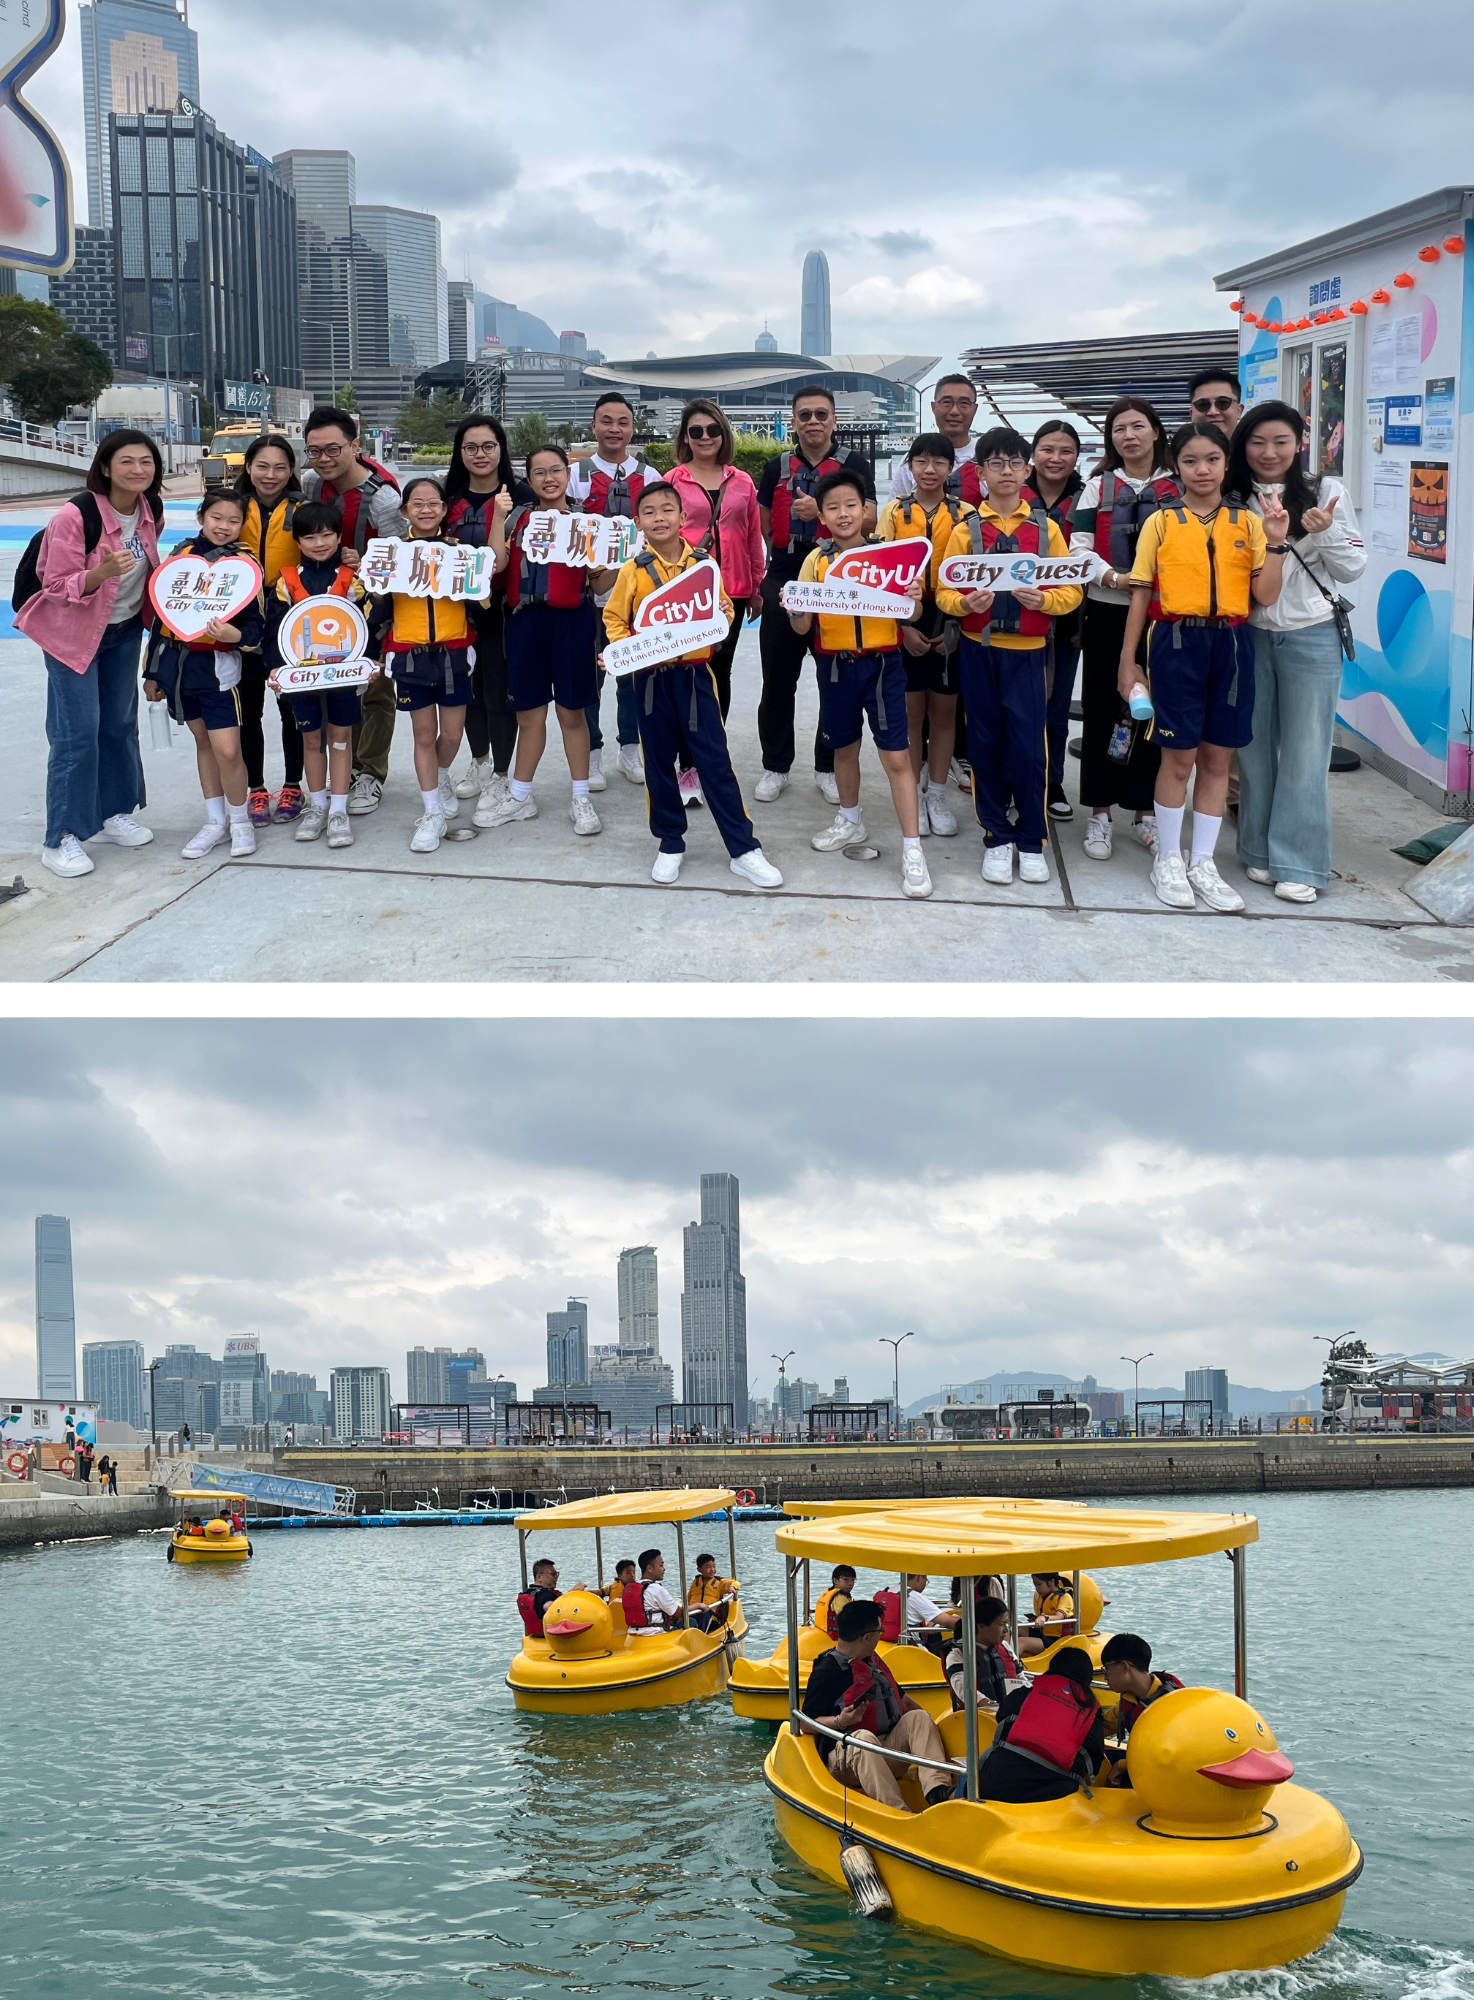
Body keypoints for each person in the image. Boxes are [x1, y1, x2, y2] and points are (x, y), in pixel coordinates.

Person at [1121, 421, 1288, 912]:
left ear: (1226, 464)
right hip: (1175, 641)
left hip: (1233, 643)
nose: (1202, 469)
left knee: (1218, 759)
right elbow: (1141, 591)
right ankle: (1168, 857)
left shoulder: (1249, 521)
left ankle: (1203, 862)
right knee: (1179, 758)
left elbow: (1266, 596)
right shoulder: (1162, 522)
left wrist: (1277, 542)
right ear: (1176, 466)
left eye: (1212, 459)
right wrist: (1128, 662)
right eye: (1191, 460)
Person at [603, 481, 782, 889]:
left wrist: (725, 610)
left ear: (684, 518)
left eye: (667, 510)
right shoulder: (633, 570)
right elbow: (614, 619)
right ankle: (670, 843)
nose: (659, 518)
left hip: (697, 678)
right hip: (650, 680)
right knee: (659, 764)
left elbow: (723, 611)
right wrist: (623, 648)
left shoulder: (703, 565)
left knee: (715, 761)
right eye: (649, 512)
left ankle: (743, 848)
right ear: (638, 522)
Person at [1227, 402, 1365, 904]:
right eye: (1258, 441)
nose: (1269, 452)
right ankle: (1260, 852)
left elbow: (1352, 569)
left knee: (1307, 752)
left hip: (1312, 634)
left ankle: (1300, 862)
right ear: (1243, 444)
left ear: (1298, 443)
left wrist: (1323, 530)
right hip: (1251, 634)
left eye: (1281, 441)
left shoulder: (1327, 492)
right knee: (1255, 748)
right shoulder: (1232, 497)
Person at [935, 427, 1083, 885]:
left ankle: (1031, 837)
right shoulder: (964, 530)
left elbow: (1071, 589)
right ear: (979, 472)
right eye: (995, 464)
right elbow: (943, 590)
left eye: (1014, 463)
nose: (1006, 471)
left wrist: (1047, 603)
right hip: (979, 652)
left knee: (1028, 747)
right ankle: (996, 836)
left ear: (1027, 470)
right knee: (984, 744)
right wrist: (964, 605)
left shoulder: (1047, 528)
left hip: (1030, 654)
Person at [17, 429, 163, 879]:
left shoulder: (148, 509)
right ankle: (60, 836)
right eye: (127, 462)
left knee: (118, 726)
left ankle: (111, 812)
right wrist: (98, 573)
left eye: (146, 462)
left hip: (121, 633)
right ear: (104, 466)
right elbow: (55, 587)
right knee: (76, 734)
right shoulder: (74, 516)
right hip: (72, 637)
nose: (138, 470)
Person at [787, 468, 932, 899]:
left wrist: (914, 598)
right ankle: (850, 820)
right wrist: (794, 606)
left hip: (883, 665)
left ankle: (912, 848)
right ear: (822, 516)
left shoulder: (890, 555)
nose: (843, 514)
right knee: (842, 749)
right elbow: (801, 629)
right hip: (834, 665)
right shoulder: (817, 560)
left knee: (897, 758)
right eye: (833, 507)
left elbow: (912, 617)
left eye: (851, 505)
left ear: (867, 509)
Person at [1069, 396, 1181, 861]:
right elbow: (1078, 549)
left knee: (1155, 712)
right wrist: (1114, 577)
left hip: (1164, 616)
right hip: (1107, 609)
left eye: (1137, 427)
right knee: (1101, 708)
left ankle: (1146, 812)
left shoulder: (1179, 486)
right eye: (1119, 429)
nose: (1128, 436)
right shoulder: (1097, 487)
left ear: (1156, 431)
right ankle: (1099, 813)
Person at [755, 386, 877, 803]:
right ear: (793, 421)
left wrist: (821, 519)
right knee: (777, 680)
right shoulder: (775, 467)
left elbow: (869, 517)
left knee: (835, 679)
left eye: (821, 415)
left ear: (834, 421)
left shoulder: (855, 463)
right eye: (804, 415)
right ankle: (776, 765)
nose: (813, 422)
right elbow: (766, 525)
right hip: (786, 579)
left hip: (838, 583)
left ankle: (827, 765)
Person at [482, 443, 606, 836]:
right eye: (539, 472)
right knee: (529, 713)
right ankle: (520, 796)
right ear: (529, 479)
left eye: (556, 470)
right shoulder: (516, 519)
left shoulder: (587, 521)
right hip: (525, 623)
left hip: (573, 621)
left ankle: (581, 796)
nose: (549, 478)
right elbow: (495, 566)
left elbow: (600, 583)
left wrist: (610, 561)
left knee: (573, 713)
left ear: (568, 476)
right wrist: (497, 518)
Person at [143, 488, 265, 860]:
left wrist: (237, 637)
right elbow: (161, 619)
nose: (224, 526)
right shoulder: (179, 557)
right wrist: (152, 671)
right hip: (180, 669)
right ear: (201, 518)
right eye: (216, 518)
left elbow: (257, 626)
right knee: (203, 744)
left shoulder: (245, 565)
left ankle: (240, 819)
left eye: (233, 520)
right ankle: (215, 821)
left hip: (220, 672)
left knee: (228, 749)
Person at [299, 407, 406, 816]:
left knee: (375, 690)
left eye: (333, 449)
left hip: (374, 603)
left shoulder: (383, 496)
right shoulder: (312, 483)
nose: (324, 459)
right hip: (326, 603)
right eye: (314, 451)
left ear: (355, 446)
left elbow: (402, 553)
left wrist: (367, 560)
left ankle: (370, 773)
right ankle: (343, 769)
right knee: (338, 689)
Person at [364, 477, 473, 855]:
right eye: (418, 504)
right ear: (404, 510)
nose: (426, 510)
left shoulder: (461, 552)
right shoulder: (391, 555)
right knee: (424, 736)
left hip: (455, 653)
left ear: (444, 510)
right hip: (410, 656)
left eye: (434, 504)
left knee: (453, 735)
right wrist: (377, 588)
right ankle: (430, 812)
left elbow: (479, 602)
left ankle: (441, 777)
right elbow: (378, 610)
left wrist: (477, 581)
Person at [666, 398, 766, 807]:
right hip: (686, 592)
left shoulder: (742, 481)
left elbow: (752, 536)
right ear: (685, 437)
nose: (705, 437)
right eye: (696, 431)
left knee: (718, 676)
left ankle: (707, 759)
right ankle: (686, 764)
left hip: (734, 591)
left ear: (723, 434)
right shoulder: (672, 479)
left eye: (712, 430)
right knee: (687, 674)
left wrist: (757, 585)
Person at [879, 433, 974, 836]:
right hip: (906, 614)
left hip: (952, 614)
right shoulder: (895, 511)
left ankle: (937, 792)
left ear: (951, 468)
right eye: (921, 461)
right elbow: (881, 572)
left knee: (946, 711)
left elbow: (974, 573)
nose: (930, 469)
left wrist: (956, 623)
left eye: (939, 462)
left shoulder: (968, 513)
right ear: (910, 467)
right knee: (911, 712)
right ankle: (914, 792)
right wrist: (903, 628)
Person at [265, 498, 371, 851]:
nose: (320, 543)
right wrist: (275, 668)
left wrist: (369, 666)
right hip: (302, 677)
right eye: (310, 537)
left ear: (340, 536)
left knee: (341, 737)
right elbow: (274, 632)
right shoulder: (286, 581)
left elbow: (367, 628)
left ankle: (339, 809)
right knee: (311, 739)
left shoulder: (353, 580)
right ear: (297, 541)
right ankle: (318, 805)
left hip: (343, 675)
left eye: (327, 535)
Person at [566, 392, 657, 789]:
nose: (614, 429)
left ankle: (630, 748)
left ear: (632, 427)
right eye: (607, 421)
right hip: (588, 594)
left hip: (636, 594)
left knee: (632, 675)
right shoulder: (577, 475)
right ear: (594, 426)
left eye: (622, 421)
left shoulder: (651, 476)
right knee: (589, 678)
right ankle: (593, 751)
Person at [800, 1598, 955, 1812]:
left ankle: (938, 1791)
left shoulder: (872, 1661)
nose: (880, 1637)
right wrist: (840, 1721)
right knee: (863, 1739)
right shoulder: (828, 1671)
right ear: (867, 1637)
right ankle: (898, 1812)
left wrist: (932, 1724)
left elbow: (904, 1702)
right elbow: (805, 1724)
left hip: (884, 1750)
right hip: (847, 1760)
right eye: (880, 1632)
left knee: (918, 1717)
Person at [445, 414, 527, 815]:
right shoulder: (447, 499)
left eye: (488, 446)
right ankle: (479, 762)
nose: (480, 454)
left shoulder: (522, 497)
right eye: (471, 447)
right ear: (460, 453)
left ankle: (501, 773)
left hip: (504, 613)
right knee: (467, 694)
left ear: (501, 450)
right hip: (454, 614)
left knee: (497, 694)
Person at [236, 433, 307, 825]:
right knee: (248, 708)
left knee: (291, 706)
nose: (270, 474)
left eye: (280, 467)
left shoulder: (302, 509)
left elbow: (322, 545)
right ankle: (257, 789)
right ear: (248, 467)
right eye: (262, 466)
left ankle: (293, 786)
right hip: (241, 618)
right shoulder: (231, 508)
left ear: (292, 471)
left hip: (288, 615)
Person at [1023, 421, 1087, 823]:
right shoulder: (1012, 493)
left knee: (1056, 708)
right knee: (1015, 707)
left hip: (1065, 619)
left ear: (1077, 456)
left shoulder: (1088, 497)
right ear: (1034, 453)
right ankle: (1017, 780)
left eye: (1065, 450)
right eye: (1047, 449)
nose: (1056, 458)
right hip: (1015, 618)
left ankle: (1052, 782)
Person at [976, 1646, 1104, 1803]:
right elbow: (1094, 1768)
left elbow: (1001, 1715)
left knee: (981, 1765)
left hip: (997, 1782)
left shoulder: (1023, 1694)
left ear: (1052, 1668)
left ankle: (949, 1794)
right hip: (1054, 1795)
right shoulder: (1091, 1716)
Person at [1098, 1632, 1185, 1784]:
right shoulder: (1130, 1698)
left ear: (1125, 1667)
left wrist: (1122, 1765)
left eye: (1107, 1669)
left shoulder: (1171, 1702)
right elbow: (1103, 1726)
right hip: (1142, 1761)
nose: (1105, 1677)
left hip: (1169, 1774)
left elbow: (1169, 1756)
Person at [890, 374, 983, 505]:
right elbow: (894, 511)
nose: (954, 411)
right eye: (946, 402)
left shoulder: (988, 459)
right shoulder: (912, 460)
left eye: (964, 403)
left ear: (974, 409)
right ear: (933, 407)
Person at [946, 1596, 1030, 1712]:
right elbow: (964, 1689)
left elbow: (1021, 1678)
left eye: (1006, 1624)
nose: (1006, 1629)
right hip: (980, 1717)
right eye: (1002, 1624)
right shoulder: (958, 1655)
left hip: (1010, 1713)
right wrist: (989, 1705)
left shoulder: (1005, 1647)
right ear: (981, 1626)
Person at [624, 1549, 684, 1633]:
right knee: (692, 1621)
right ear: (649, 1568)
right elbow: (678, 1613)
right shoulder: (656, 1589)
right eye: (661, 1565)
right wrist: (698, 1606)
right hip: (654, 1633)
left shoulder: (632, 1587)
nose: (664, 1569)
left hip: (633, 1632)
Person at [1020, 1572, 1075, 1656]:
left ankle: (1011, 1665)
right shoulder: (1043, 1596)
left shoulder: (1065, 1597)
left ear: (1052, 1582)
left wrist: (1044, 1618)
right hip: (1042, 1634)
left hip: (1055, 1640)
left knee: (1021, 1641)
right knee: (1016, 1626)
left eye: (1039, 1584)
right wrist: (1036, 1619)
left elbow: (1059, 1616)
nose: (1037, 1588)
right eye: (1035, 1585)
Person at [1187, 368, 1245, 439]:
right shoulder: (1178, 449)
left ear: (1239, 411)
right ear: (1191, 413)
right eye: (1202, 404)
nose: (1213, 412)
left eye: (1223, 403)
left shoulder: (1256, 449)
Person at [687, 1551, 739, 1630]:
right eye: (708, 1567)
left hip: (710, 1614)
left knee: (704, 1616)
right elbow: (689, 1597)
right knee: (686, 1618)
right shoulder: (696, 1582)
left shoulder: (719, 1582)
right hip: (695, 1611)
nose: (712, 1570)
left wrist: (733, 1587)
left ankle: (700, 1636)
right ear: (699, 1569)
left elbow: (735, 1582)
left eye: (714, 1566)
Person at [516, 1556, 565, 1636]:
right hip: (551, 1637)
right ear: (539, 1577)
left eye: (556, 1574)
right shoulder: (545, 1594)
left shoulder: (529, 1592)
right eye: (553, 1574)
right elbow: (549, 1608)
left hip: (535, 1636)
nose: (556, 1577)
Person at [813, 1564, 856, 1638]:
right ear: (835, 1580)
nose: (850, 1583)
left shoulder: (827, 1592)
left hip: (822, 1630)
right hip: (836, 1636)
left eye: (852, 1580)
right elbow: (848, 1621)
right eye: (846, 1579)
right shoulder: (840, 1598)